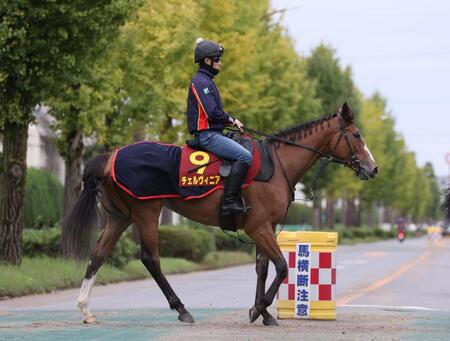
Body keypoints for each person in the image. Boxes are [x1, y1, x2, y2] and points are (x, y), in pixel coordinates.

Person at [186, 37, 252, 214]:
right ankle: (229, 202)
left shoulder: (207, 81)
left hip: (215, 133)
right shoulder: (200, 82)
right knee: (245, 157)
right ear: (207, 61)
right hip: (207, 135)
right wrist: (231, 118)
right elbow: (212, 112)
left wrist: (230, 120)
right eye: (217, 59)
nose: (220, 63)